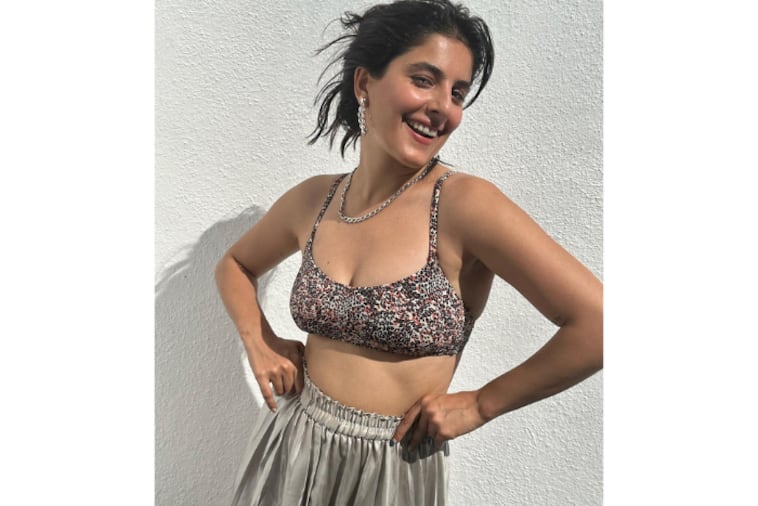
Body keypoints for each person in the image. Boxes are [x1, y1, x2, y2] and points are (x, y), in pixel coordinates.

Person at [215, 0, 603, 504]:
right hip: (292, 446)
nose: (444, 107)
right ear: (365, 83)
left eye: (457, 92)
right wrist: (259, 340)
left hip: (391, 470)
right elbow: (235, 265)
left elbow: (598, 323)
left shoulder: (465, 205)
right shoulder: (315, 200)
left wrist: (482, 404)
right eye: (424, 80)